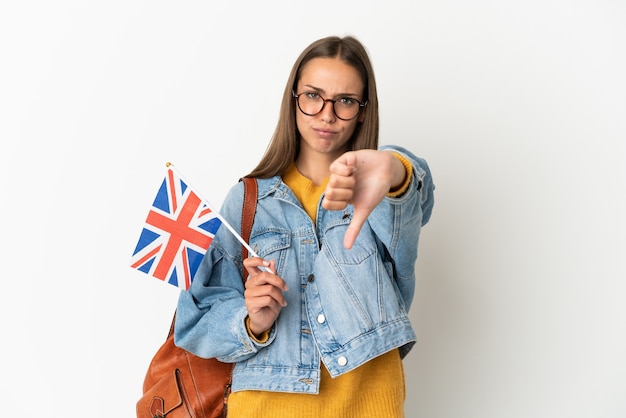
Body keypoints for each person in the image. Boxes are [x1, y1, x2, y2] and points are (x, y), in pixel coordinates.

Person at [174, 35, 435, 417]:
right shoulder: (247, 201)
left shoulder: (382, 192)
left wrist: (393, 166)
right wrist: (250, 321)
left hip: (369, 406)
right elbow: (194, 320)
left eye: (345, 101)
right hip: (264, 406)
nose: (327, 114)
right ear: (293, 99)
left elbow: (415, 198)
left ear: (363, 110)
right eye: (313, 96)